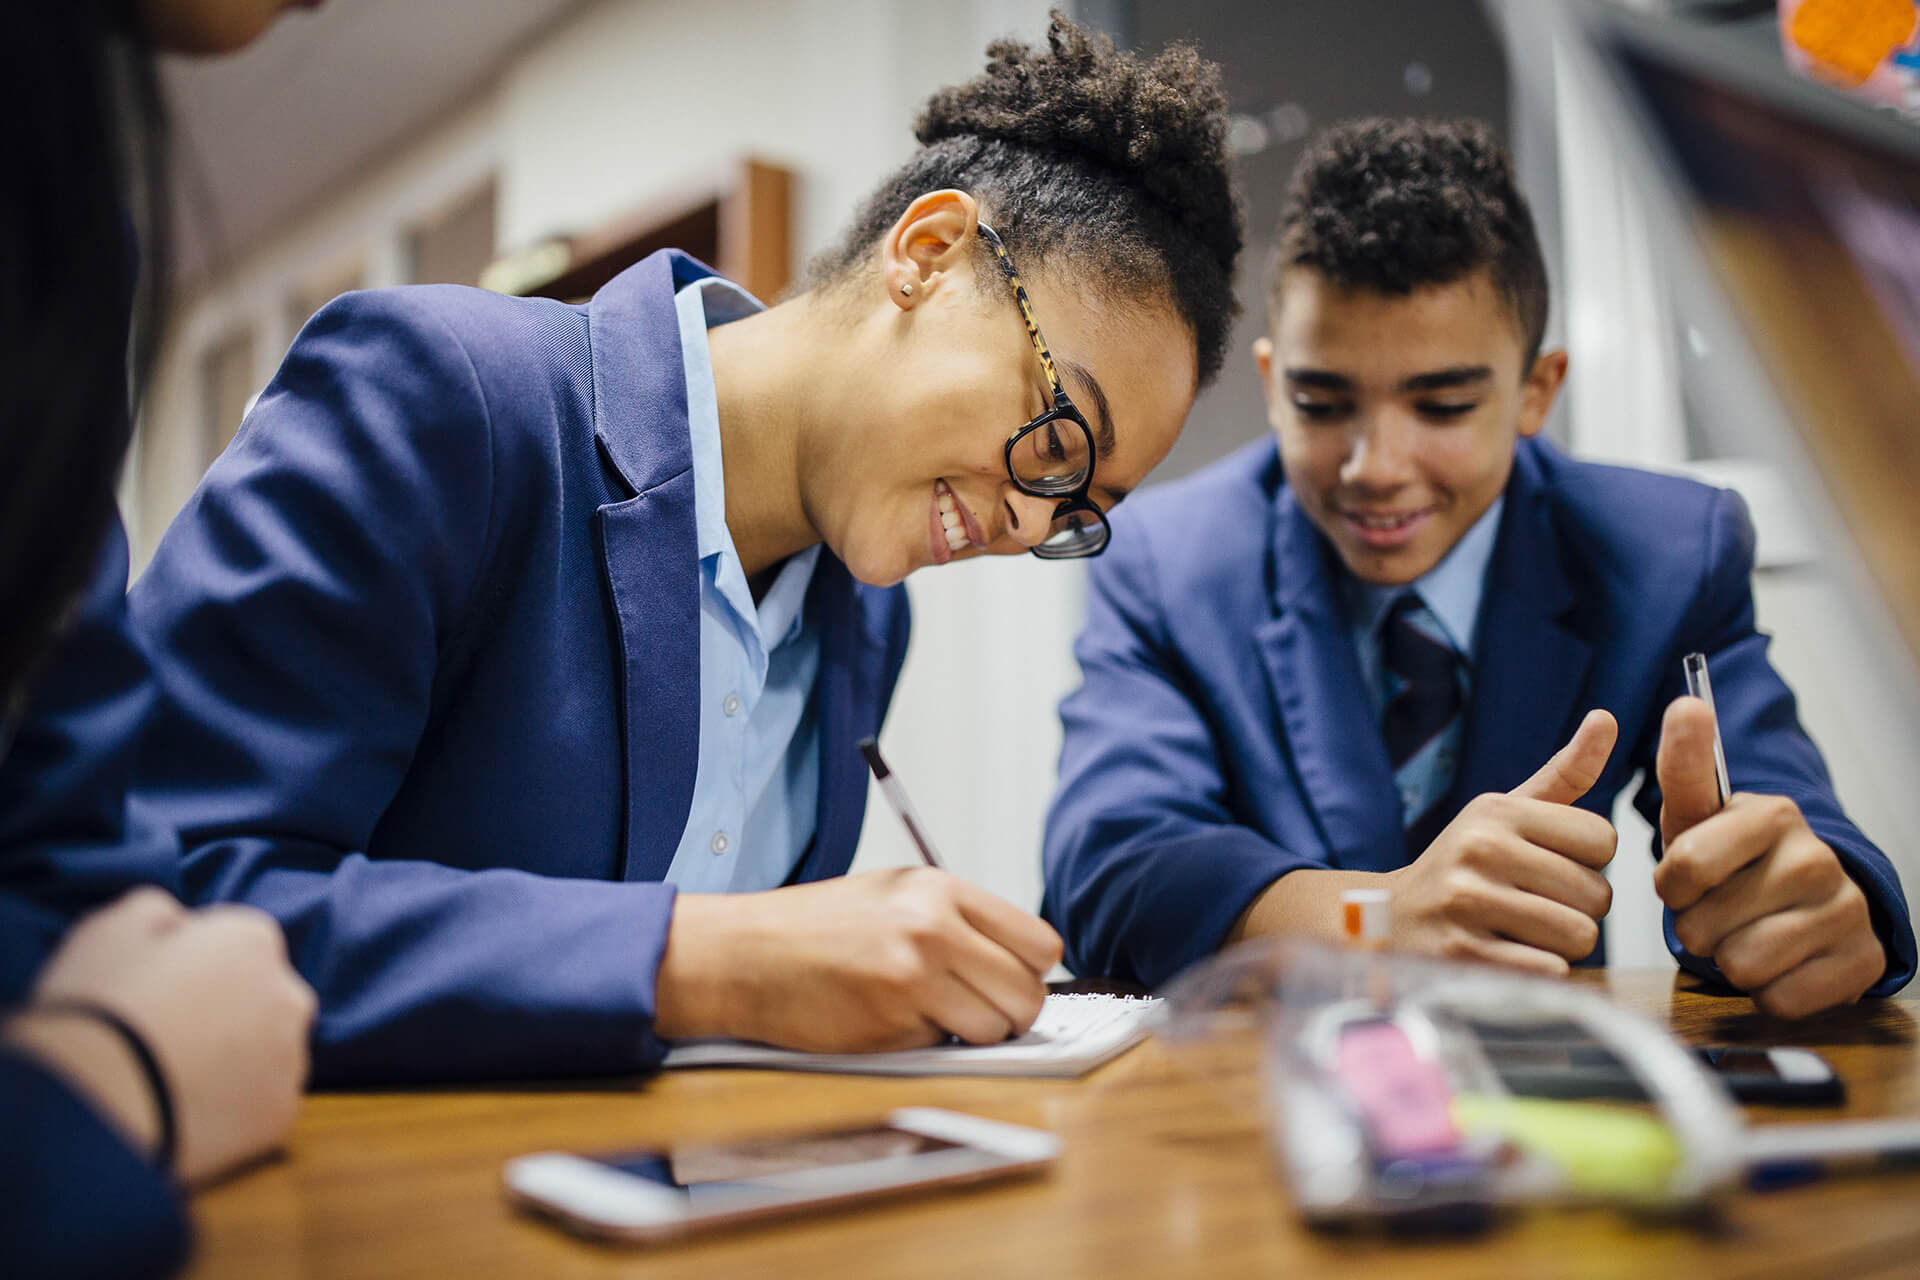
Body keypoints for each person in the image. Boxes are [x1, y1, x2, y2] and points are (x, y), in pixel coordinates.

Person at [105, 15, 1242, 1085]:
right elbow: (161, 891)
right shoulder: (441, 395)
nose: (1034, 523)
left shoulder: (868, 614)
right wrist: (710, 959)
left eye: (1083, 507)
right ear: (931, 252)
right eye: (1060, 439)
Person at [1042, 117, 1915, 1018]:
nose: (1375, 466)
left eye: (1445, 405)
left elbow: (1785, 811)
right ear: (1271, 384)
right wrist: (1373, 917)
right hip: (1252, 1091)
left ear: (1537, 391)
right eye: (1321, 401)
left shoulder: (1668, 552)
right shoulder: (1163, 557)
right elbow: (1108, 865)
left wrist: (1808, 902)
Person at [1, 3, 319, 1275]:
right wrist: (106, 1077)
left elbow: (68, 854)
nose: (1009, 519)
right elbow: (215, 852)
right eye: (1014, 440)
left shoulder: (69, 212)